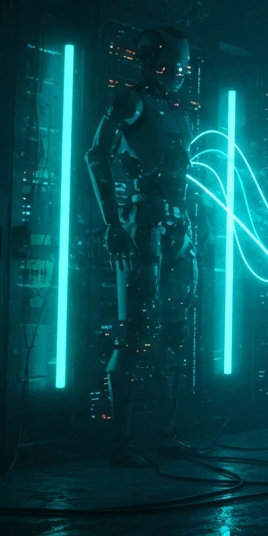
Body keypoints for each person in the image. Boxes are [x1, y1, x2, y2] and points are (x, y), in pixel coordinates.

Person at [84, 26, 199, 467]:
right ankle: (124, 441)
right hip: (142, 226)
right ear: (153, 63)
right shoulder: (131, 101)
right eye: (173, 66)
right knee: (132, 333)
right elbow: (97, 154)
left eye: (185, 68)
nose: (180, 75)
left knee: (175, 331)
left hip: (176, 228)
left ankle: (167, 435)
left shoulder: (176, 110)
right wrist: (114, 223)